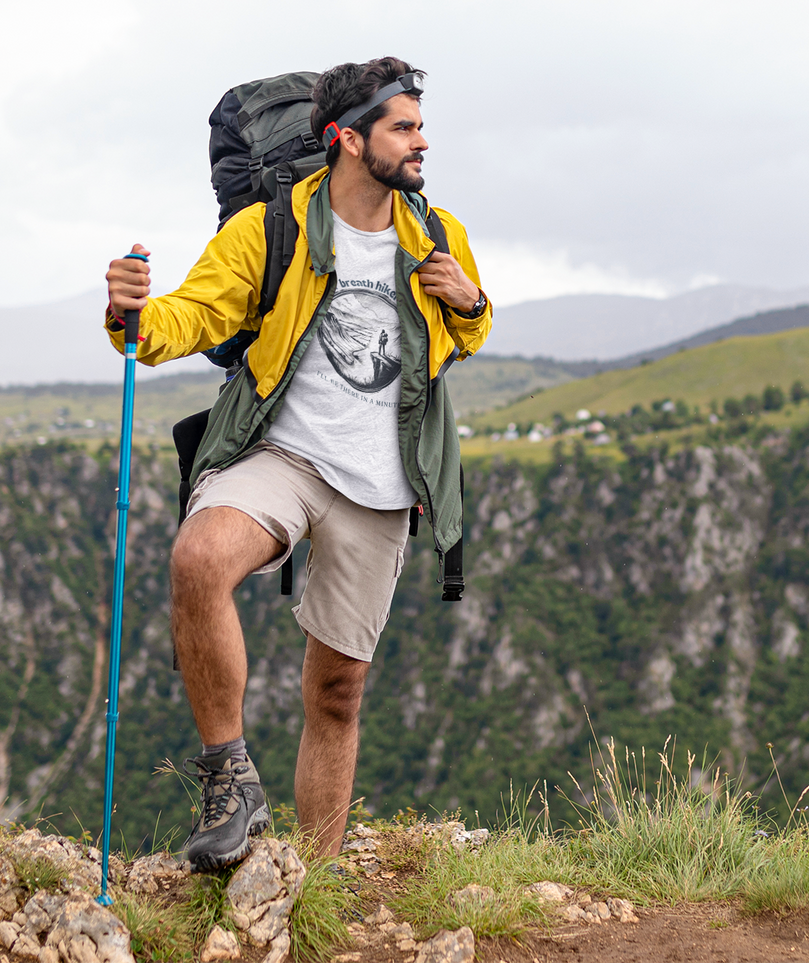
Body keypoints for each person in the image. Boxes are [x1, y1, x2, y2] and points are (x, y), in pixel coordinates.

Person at [103, 57, 491, 871]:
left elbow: (456, 338)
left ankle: (312, 881)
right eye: (404, 126)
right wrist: (130, 312)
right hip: (281, 453)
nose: (423, 141)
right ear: (347, 140)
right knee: (199, 555)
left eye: (419, 123)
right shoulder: (270, 230)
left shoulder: (437, 232)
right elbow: (190, 315)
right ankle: (229, 778)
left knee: (337, 694)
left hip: (382, 483)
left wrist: (471, 305)